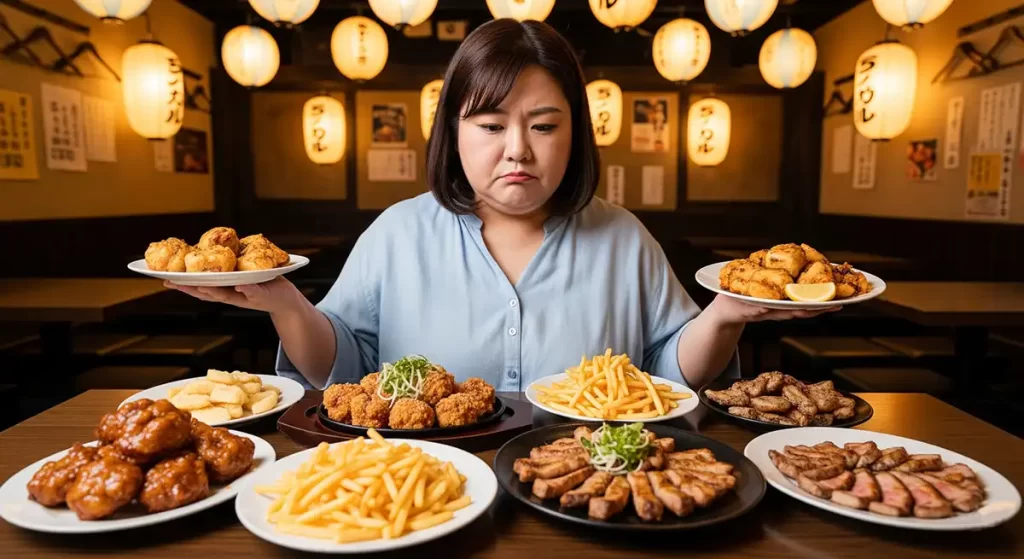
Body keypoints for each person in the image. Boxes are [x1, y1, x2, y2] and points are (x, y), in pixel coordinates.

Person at [165, 18, 835, 391]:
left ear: (576, 133)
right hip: (429, 494)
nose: (518, 150)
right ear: (453, 133)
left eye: (543, 126)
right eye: (490, 126)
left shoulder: (624, 237)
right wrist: (285, 303)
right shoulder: (398, 233)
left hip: (589, 492)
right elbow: (343, 369)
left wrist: (724, 315)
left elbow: (668, 374)